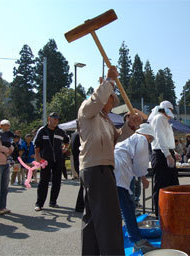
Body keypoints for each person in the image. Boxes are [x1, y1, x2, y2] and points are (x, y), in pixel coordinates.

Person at [78, 66, 142, 255]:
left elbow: (118, 138)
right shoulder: (87, 110)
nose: (112, 105)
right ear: (103, 98)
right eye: (111, 100)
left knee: (93, 218)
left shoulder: (105, 120)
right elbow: (95, 101)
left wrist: (130, 125)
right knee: (109, 218)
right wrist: (110, 81)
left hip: (101, 168)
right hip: (96, 168)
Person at [114, 123, 157, 254]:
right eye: (150, 139)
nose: (149, 141)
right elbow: (141, 162)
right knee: (127, 206)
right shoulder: (142, 139)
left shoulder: (130, 138)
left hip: (115, 168)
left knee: (120, 206)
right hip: (120, 170)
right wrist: (143, 177)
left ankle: (113, 238)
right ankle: (137, 240)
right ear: (148, 135)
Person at [148, 100, 181, 217]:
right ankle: (160, 215)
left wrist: (173, 153)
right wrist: (168, 155)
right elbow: (160, 138)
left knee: (172, 185)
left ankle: (171, 212)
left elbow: (166, 140)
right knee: (161, 186)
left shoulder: (164, 120)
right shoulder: (159, 118)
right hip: (161, 154)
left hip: (166, 152)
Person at [33, 112, 69, 211]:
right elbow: (37, 145)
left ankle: (53, 201)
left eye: (58, 119)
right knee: (44, 181)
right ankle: (39, 204)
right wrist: (37, 157)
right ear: (49, 118)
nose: (56, 121)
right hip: (45, 160)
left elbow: (67, 141)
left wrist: (65, 149)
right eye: (54, 119)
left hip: (58, 159)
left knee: (57, 181)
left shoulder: (61, 131)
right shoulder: (42, 130)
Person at [71, 127, 84, 212]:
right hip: (80, 163)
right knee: (84, 185)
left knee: (83, 185)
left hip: (78, 162)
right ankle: (80, 206)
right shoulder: (78, 135)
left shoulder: (75, 135)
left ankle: (80, 205)